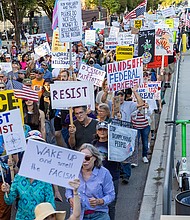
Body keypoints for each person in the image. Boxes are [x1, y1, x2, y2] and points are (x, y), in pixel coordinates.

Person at [65, 143, 115, 220]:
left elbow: (111, 195)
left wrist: (99, 201)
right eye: (81, 158)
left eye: (87, 158)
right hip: (78, 214)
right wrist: (70, 198)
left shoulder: (104, 173)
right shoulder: (74, 171)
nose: (84, 161)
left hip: (98, 214)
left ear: (95, 158)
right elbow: (68, 189)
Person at [92, 121, 120, 220]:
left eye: (105, 129)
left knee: (111, 204)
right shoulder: (93, 144)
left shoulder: (114, 143)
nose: (102, 132)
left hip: (113, 176)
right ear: (97, 131)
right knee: (99, 204)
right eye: (100, 129)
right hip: (97, 178)